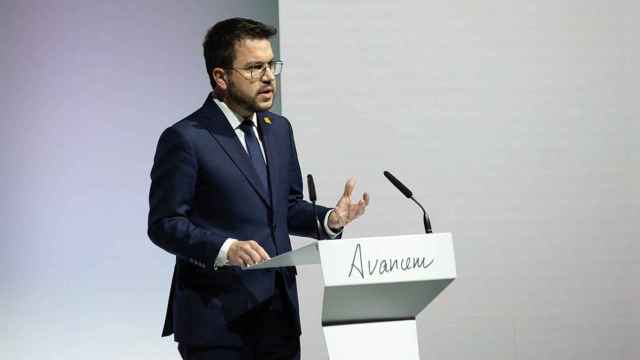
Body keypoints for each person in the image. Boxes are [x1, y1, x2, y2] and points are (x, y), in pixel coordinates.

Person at [147, 18, 369, 360]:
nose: (268, 77)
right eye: (254, 68)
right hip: (216, 322)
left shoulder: (279, 129)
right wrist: (226, 248)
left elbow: (286, 207)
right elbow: (164, 224)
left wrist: (328, 220)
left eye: (270, 65)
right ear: (221, 77)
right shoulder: (186, 138)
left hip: (278, 316)